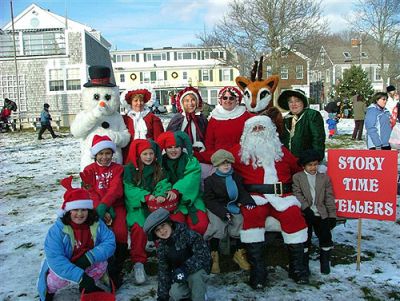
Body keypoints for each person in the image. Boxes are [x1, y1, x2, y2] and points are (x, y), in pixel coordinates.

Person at [230, 116, 309, 288]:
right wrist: (193, 152)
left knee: (293, 215)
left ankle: (297, 267)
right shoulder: (239, 152)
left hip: (282, 198)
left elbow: (298, 167)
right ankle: (258, 270)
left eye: (262, 128)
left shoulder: (281, 151)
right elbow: (216, 158)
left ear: (270, 130)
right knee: (252, 217)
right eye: (254, 129)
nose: (258, 132)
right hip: (255, 198)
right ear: (247, 133)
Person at [37, 176, 116, 301]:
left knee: (101, 265)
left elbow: (109, 241)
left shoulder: (96, 223)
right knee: (56, 281)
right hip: (67, 263)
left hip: (87, 260)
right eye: (75, 210)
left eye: (83, 209)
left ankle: (86, 285)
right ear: (68, 211)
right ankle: (49, 290)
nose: (80, 214)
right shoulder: (58, 230)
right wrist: (80, 277)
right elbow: (56, 258)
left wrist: (90, 257)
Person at [123, 138, 177, 285]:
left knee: (162, 224)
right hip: (138, 206)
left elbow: (163, 183)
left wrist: (160, 194)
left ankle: (166, 257)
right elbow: (129, 189)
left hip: (155, 205)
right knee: (139, 227)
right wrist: (145, 196)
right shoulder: (130, 169)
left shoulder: (158, 168)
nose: (148, 157)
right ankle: (138, 262)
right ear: (139, 155)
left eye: (151, 154)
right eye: (145, 154)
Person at [79, 135, 127, 289]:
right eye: (101, 154)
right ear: (95, 155)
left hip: (115, 205)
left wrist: (105, 206)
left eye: (108, 153)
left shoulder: (118, 169)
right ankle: (96, 266)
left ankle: (116, 268)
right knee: (97, 233)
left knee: (119, 231)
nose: (105, 157)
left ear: (112, 154)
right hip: (96, 208)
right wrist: (100, 208)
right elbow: (89, 191)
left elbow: (115, 189)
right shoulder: (88, 170)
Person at [203, 149, 255, 274]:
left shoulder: (236, 177)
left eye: (228, 163)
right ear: (216, 165)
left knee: (240, 222)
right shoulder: (210, 181)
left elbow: (242, 192)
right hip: (216, 208)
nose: (226, 166)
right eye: (222, 163)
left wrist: (248, 201)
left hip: (232, 205)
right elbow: (209, 200)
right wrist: (222, 213)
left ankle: (239, 252)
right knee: (217, 225)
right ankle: (214, 255)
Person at [143, 208, 211, 301]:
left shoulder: (188, 235)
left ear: (170, 223)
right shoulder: (162, 248)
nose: (162, 231)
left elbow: (203, 256)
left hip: (197, 271)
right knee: (175, 294)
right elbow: (164, 272)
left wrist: (184, 268)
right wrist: (162, 297)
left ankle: (200, 296)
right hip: (180, 276)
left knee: (196, 278)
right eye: (158, 230)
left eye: (163, 226)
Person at [292, 149, 337, 275]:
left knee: (325, 236)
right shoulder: (298, 178)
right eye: (310, 165)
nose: (313, 167)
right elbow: (297, 194)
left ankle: (325, 261)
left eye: (315, 164)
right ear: (303, 166)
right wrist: (306, 208)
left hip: (320, 212)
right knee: (306, 238)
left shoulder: (324, 178)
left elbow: (329, 197)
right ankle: (304, 264)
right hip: (306, 213)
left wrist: (332, 215)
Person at [156, 131, 209, 235]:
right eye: (170, 147)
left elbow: (191, 178)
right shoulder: (161, 163)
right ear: (165, 149)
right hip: (170, 202)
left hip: (191, 199)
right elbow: (161, 180)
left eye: (176, 147)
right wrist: (164, 193)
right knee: (175, 226)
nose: (173, 150)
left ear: (181, 147)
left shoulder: (190, 160)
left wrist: (176, 190)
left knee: (200, 225)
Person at [200, 86, 254, 164]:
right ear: (220, 100)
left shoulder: (245, 116)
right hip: (221, 160)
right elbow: (209, 142)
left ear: (237, 100)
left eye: (231, 98)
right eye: (225, 98)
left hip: (241, 159)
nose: (228, 100)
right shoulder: (214, 118)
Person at [278, 89, 325, 159]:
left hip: (307, 162)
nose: (293, 104)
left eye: (297, 101)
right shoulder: (285, 119)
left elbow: (318, 139)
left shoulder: (311, 115)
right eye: (290, 101)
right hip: (289, 162)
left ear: (303, 102)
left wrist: (315, 159)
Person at [122, 89, 164, 163]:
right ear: (130, 103)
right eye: (136, 101)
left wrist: (155, 155)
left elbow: (159, 139)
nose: (139, 103)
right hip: (129, 156)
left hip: (149, 157)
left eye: (141, 100)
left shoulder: (153, 118)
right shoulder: (125, 119)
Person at [166, 86, 208, 153]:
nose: (190, 103)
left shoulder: (202, 118)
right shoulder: (176, 119)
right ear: (182, 103)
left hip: (200, 154)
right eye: (187, 100)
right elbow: (170, 139)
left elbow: (208, 138)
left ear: (197, 102)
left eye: (193, 100)